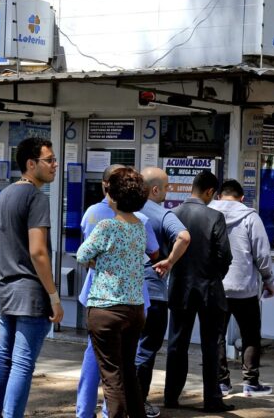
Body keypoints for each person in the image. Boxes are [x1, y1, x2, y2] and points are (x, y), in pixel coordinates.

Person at [0, 137, 63, 418]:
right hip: (30, 293)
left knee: (3, 360)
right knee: (22, 364)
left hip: (6, 289)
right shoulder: (36, 197)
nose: (55, 165)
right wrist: (54, 297)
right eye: (49, 160)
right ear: (31, 164)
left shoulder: (4, 195)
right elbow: (38, 252)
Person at [76, 164, 161, 418]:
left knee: (111, 377)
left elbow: (82, 255)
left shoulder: (107, 226)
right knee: (127, 373)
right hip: (135, 308)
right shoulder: (139, 226)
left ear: (113, 195)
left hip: (105, 308)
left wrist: (99, 261)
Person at [158, 170, 233, 413]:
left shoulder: (172, 214)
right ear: (210, 192)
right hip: (210, 290)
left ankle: (171, 397)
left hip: (180, 287)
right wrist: (214, 276)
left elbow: (163, 251)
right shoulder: (215, 217)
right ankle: (212, 399)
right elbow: (225, 255)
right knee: (211, 345)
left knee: (177, 344)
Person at [208, 179, 274, 397]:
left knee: (216, 335)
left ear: (218, 196)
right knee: (250, 334)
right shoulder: (250, 218)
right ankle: (250, 383)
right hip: (244, 286)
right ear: (242, 198)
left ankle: (221, 383)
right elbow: (262, 253)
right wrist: (268, 280)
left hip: (216, 285)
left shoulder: (208, 214)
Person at [136, 167, 192, 417]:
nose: (168, 192)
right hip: (153, 293)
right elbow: (184, 236)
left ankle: (115, 401)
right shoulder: (161, 214)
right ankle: (138, 401)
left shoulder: (120, 210)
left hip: (120, 294)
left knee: (123, 349)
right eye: (167, 187)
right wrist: (169, 261)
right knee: (146, 349)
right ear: (155, 189)